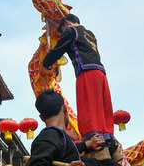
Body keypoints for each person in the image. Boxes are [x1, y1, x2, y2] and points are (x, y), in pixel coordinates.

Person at [42, 14, 115, 144]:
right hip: (101, 73)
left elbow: (59, 49)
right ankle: (109, 142)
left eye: (62, 29)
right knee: (102, 110)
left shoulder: (70, 31)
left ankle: (97, 145)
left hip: (86, 72)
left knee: (88, 108)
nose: (63, 32)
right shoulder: (90, 34)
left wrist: (47, 62)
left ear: (67, 23)